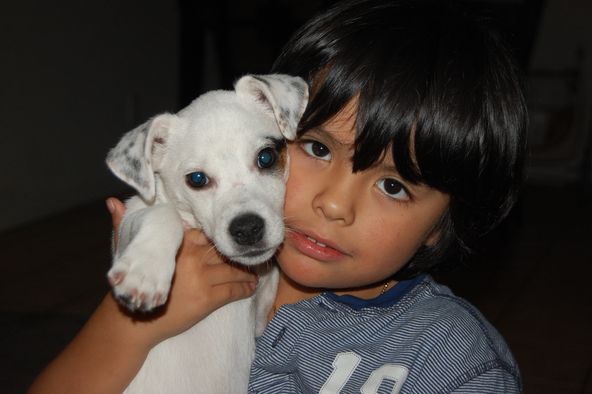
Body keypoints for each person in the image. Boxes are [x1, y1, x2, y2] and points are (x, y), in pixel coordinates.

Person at [28, 0, 527, 392]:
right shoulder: (192, 261)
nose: (334, 204)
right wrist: (132, 320)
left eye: (393, 186)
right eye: (316, 148)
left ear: (445, 222)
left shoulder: (456, 362)